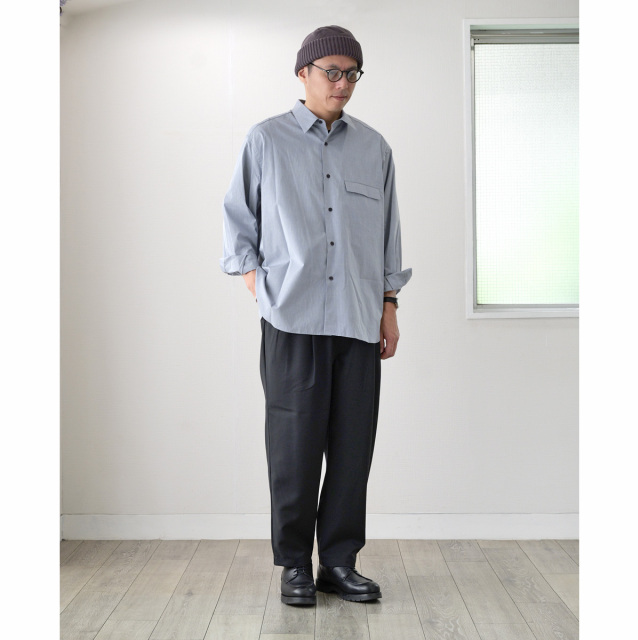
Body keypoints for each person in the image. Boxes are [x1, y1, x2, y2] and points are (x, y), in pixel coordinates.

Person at [220, 25, 412, 606]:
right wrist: (262, 288)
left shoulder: (374, 148)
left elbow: (388, 234)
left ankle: (338, 563)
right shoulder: (266, 140)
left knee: (353, 449)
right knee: (294, 449)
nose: (342, 83)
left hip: (358, 320)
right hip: (292, 322)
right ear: (303, 72)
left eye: (352, 73)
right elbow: (238, 224)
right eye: (331, 71)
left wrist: (389, 306)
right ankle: (294, 566)